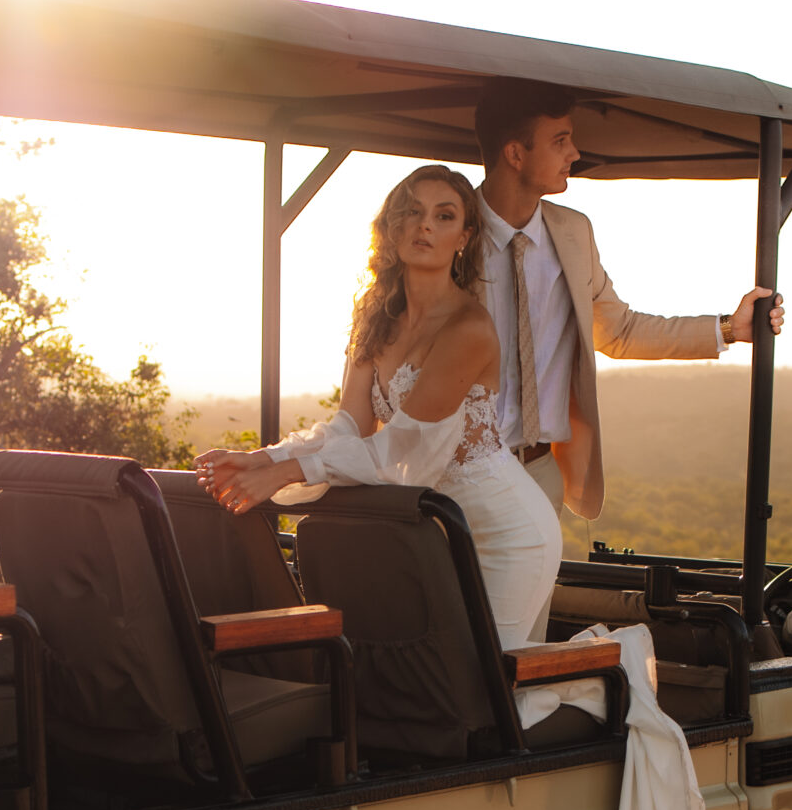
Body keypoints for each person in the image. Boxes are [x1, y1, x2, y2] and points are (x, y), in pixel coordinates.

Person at [196, 165, 560, 653]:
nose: (424, 225)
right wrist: (263, 460)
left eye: (443, 215)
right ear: (391, 230)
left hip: (506, 533)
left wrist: (286, 473)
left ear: (464, 236)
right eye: (411, 212)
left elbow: (401, 450)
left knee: (483, 680)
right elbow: (349, 425)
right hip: (431, 528)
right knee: (432, 670)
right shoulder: (376, 316)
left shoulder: (469, 327)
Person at [469, 78, 785, 636]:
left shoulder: (572, 231)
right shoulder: (449, 227)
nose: (575, 152)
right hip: (459, 475)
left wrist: (728, 330)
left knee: (523, 644)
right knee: (459, 639)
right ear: (515, 153)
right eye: (561, 139)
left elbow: (618, 329)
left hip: (539, 473)